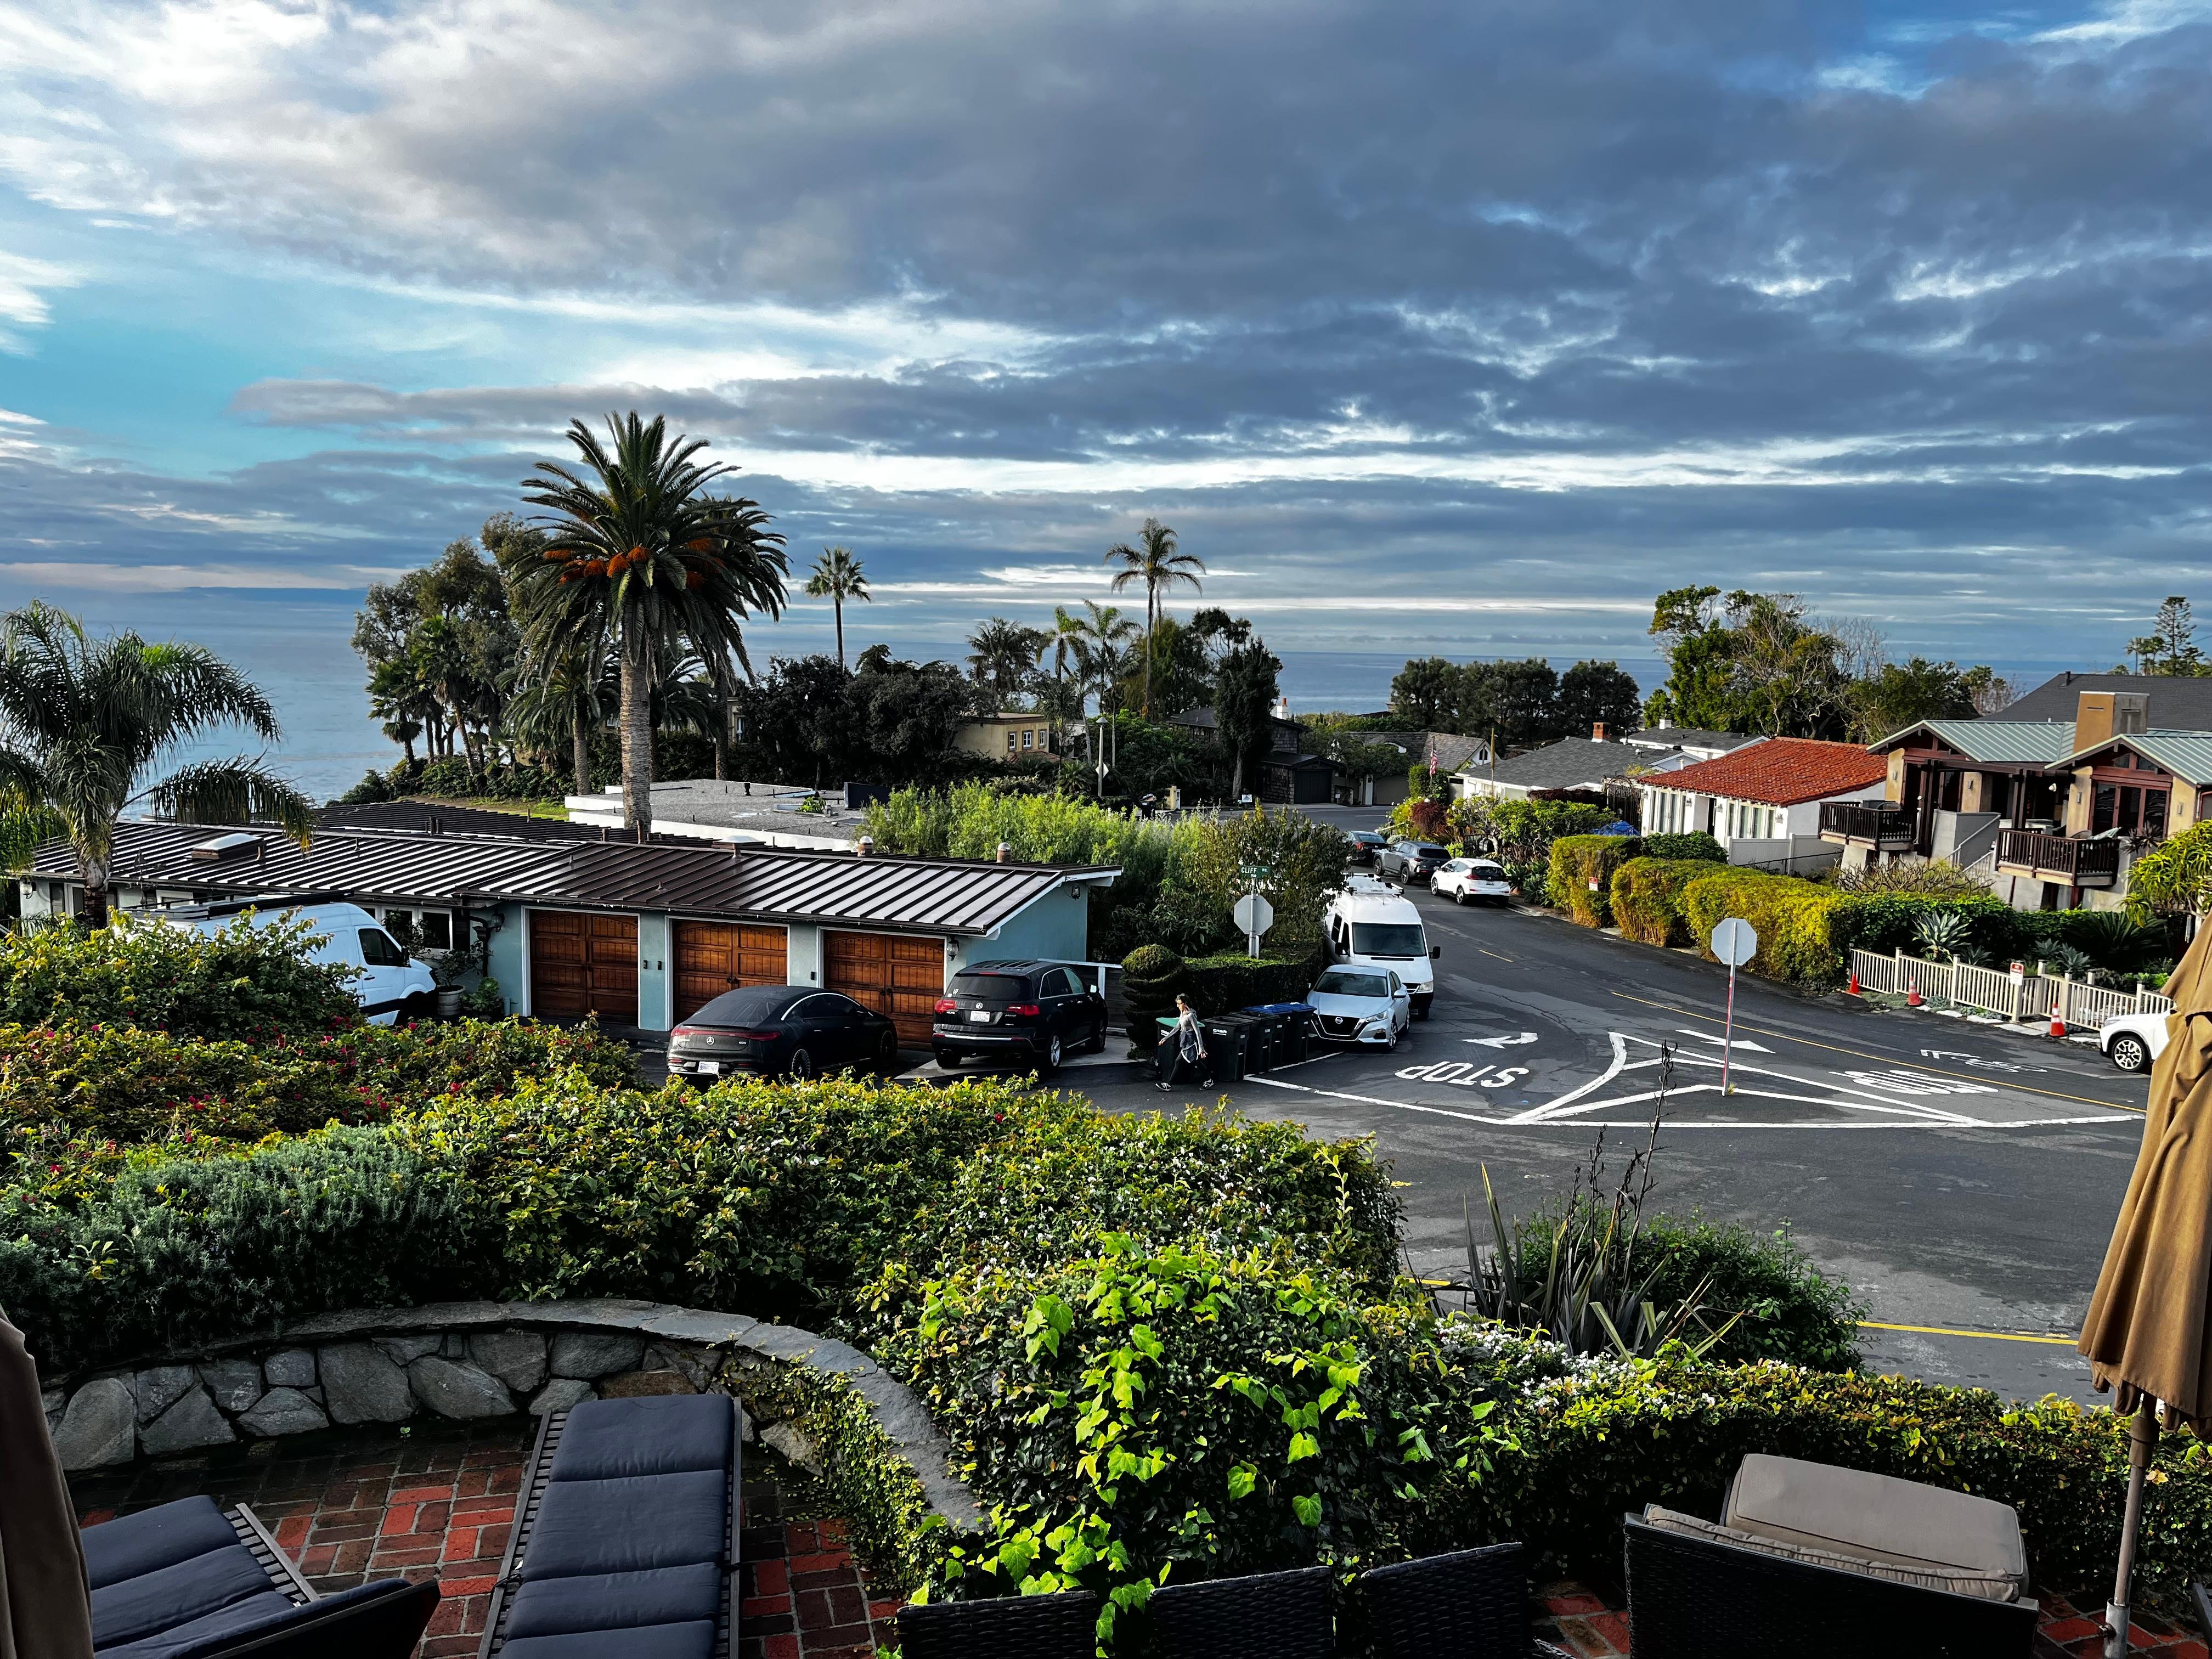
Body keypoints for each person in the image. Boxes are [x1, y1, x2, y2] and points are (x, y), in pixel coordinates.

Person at [1156, 992, 1211, 1091]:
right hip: (1186, 1042)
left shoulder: (1191, 1015)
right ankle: (1208, 1080)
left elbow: (1198, 1032)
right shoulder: (1182, 1013)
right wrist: (1165, 1038)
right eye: (1177, 1004)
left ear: (1185, 1004)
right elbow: (1177, 1028)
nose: (1177, 1006)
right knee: (1195, 1062)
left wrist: (1201, 1048)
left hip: (1191, 1043)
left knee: (1179, 1061)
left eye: (1179, 1004)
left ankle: (1168, 1085)